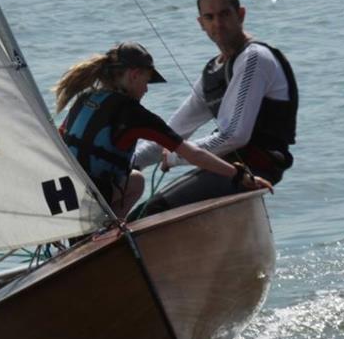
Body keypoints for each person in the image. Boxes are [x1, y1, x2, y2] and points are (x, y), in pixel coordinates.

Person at [132, 0, 298, 217]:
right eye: (209, 17)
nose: (218, 24)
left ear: (241, 15)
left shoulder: (254, 59)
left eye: (225, 14)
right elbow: (171, 134)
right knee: (140, 214)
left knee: (150, 212)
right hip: (228, 167)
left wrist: (177, 157)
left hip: (255, 166)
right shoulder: (213, 71)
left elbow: (234, 135)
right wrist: (131, 161)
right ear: (201, 23)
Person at [54, 41, 273, 219]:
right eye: (147, 81)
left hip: (63, 197)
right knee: (137, 180)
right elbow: (193, 154)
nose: (147, 89)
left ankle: (88, 234)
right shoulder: (134, 114)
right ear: (134, 75)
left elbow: (61, 141)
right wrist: (239, 174)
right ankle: (108, 230)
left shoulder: (84, 100)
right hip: (94, 199)